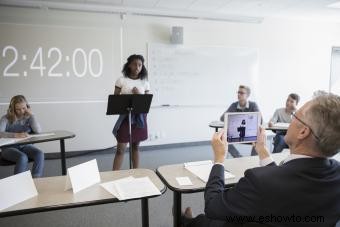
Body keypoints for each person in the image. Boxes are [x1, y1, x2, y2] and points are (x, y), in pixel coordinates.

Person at [182, 92, 340, 227]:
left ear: (303, 132)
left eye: (294, 116)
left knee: (205, 221)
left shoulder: (259, 181)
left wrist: (219, 159)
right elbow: (284, 180)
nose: (291, 120)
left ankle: (186, 221)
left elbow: (213, 206)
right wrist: (263, 151)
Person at [112, 54, 150, 170]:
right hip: (125, 117)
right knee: (120, 149)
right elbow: (115, 100)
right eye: (134, 64)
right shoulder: (121, 80)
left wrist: (139, 96)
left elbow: (147, 104)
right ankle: (113, 176)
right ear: (129, 65)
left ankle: (136, 172)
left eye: (140, 65)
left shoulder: (145, 82)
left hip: (140, 118)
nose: (137, 67)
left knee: (135, 147)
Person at [0, 95, 44, 178]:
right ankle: (18, 182)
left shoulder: (29, 117)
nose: (22, 111)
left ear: (27, 106)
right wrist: (15, 135)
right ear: (12, 109)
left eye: (24, 108)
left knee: (39, 154)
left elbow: (38, 131)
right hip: (8, 148)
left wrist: (32, 115)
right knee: (22, 157)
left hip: (25, 146)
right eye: (18, 109)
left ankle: (36, 180)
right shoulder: (5, 118)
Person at [220, 85, 261, 157]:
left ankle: (253, 159)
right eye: (238, 92)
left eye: (241, 93)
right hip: (237, 133)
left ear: (247, 95)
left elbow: (260, 120)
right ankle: (238, 156)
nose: (238, 94)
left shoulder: (253, 105)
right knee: (222, 138)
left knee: (259, 137)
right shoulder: (234, 105)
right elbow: (222, 118)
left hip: (249, 134)